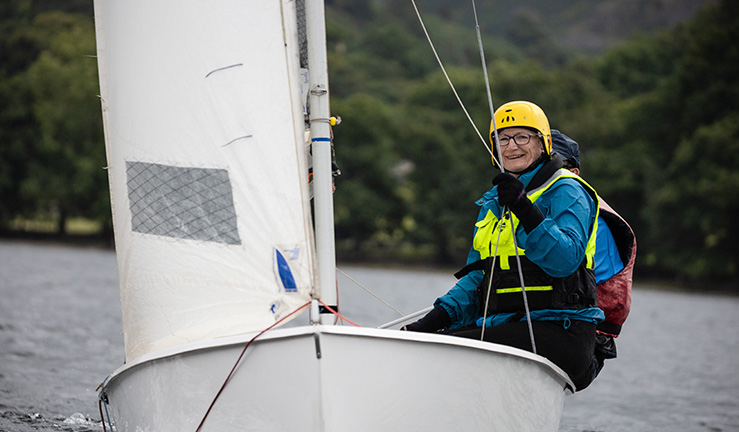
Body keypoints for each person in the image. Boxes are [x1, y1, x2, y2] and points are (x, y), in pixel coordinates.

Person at [403, 100, 604, 391]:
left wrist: (523, 207)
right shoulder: (494, 203)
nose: (511, 147)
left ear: (544, 142)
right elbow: (479, 278)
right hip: (508, 324)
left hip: (561, 329)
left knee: (440, 350)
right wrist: (428, 324)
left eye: (522, 137)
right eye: (502, 139)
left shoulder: (568, 190)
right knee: (422, 342)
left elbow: (565, 260)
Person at [551, 130, 636, 387]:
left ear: (574, 174)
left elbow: (562, 275)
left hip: (587, 338)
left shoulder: (587, 217)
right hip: (554, 324)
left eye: (555, 166)